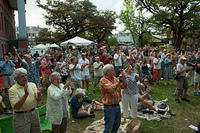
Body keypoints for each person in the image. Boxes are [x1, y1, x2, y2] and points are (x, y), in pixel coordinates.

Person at [9, 68, 42, 133]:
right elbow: (16, 107)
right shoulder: (12, 90)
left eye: (26, 75)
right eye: (22, 76)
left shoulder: (32, 85)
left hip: (34, 113)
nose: (25, 77)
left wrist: (39, 94)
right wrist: (26, 94)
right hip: (21, 116)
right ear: (16, 79)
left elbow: (39, 100)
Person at [100, 64, 127, 133]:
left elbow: (124, 87)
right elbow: (111, 89)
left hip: (117, 105)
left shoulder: (115, 79)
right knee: (108, 127)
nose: (114, 71)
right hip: (109, 107)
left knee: (117, 125)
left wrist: (124, 79)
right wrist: (119, 81)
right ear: (107, 72)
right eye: (112, 70)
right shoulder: (103, 80)